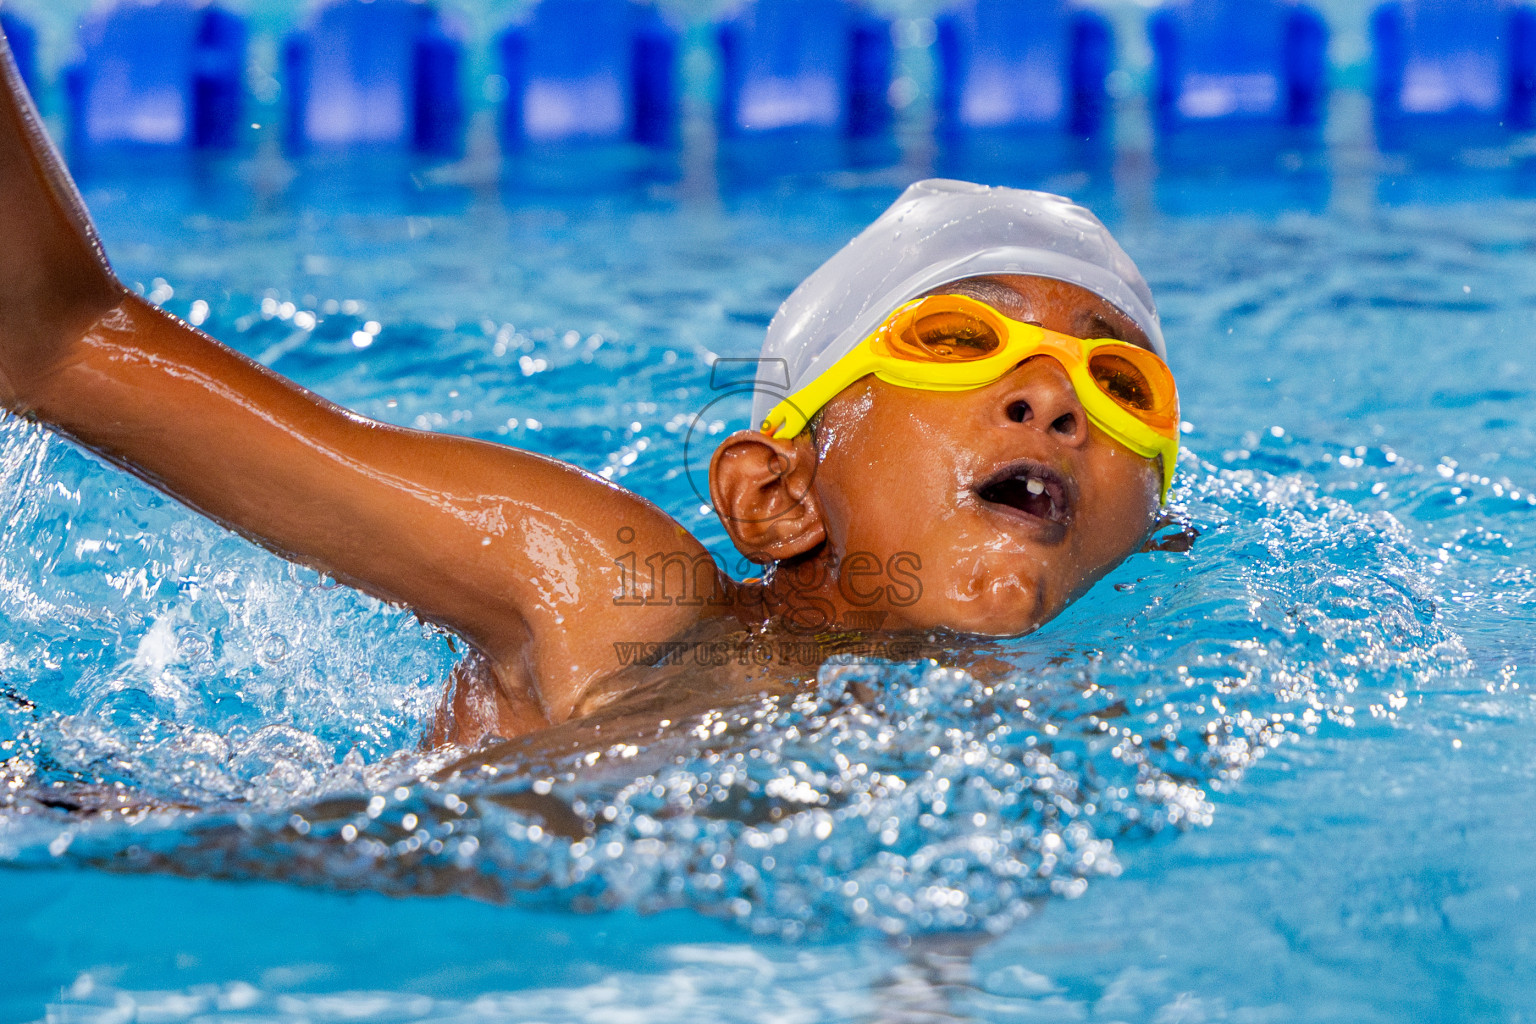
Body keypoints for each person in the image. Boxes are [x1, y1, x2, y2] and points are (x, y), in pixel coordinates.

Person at [0, 35, 1178, 751]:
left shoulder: (1105, 724)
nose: (1052, 404)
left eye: (1120, 384)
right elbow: (56, 343)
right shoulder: (609, 595)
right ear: (777, 495)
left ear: (1153, 537)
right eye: (958, 339)